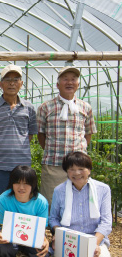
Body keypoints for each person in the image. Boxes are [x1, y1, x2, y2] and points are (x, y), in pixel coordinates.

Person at [0, 65, 38, 225]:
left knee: (22, 201)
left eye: (16, 80)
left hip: (22, 165)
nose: (11, 83)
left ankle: (20, 237)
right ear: (1, 84)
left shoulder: (29, 108)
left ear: (21, 84)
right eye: (7, 80)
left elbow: (31, 135)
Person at [48, 152, 112, 257]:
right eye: (71, 169)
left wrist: (94, 243)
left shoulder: (103, 189)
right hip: (69, 241)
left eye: (81, 169)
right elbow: (53, 218)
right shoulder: (59, 191)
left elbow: (106, 222)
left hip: (94, 240)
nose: (76, 173)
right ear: (66, 171)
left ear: (89, 170)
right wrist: (58, 233)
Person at [37, 66, 97, 203]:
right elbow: (41, 135)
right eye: (65, 79)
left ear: (78, 84)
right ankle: (52, 225)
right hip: (53, 164)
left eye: (73, 79)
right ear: (58, 84)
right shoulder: (46, 107)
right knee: (52, 201)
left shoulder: (85, 107)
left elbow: (88, 133)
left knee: (79, 201)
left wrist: (79, 154)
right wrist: (52, 150)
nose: (69, 82)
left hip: (79, 166)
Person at [0, 165, 50, 257]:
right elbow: (2, 225)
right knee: (2, 246)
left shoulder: (41, 202)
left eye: (26, 183)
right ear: (11, 183)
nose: (21, 187)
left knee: (42, 248)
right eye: (17, 182)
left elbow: (41, 230)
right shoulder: (3, 199)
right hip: (12, 237)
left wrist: (45, 240)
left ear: (33, 185)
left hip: (33, 236)